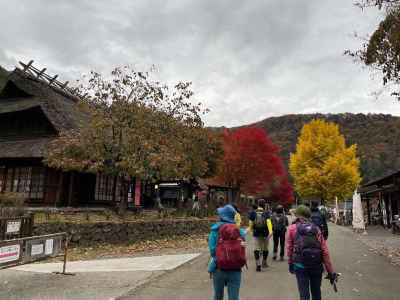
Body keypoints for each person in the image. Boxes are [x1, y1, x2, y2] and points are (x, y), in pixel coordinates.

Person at [286, 205, 336, 300]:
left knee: (304, 294)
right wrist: (330, 270)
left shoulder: (292, 228)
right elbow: (324, 250)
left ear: (297, 215)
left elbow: (289, 248)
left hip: (300, 265)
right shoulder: (316, 228)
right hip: (316, 265)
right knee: (316, 292)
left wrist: (290, 263)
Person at [208, 204, 246, 300]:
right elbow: (242, 248)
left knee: (218, 295)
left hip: (218, 266)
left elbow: (212, 251)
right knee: (234, 297)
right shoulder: (238, 230)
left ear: (222, 216)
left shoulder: (215, 230)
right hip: (235, 268)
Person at [248, 199, 273, 271]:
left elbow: (250, 223)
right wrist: (270, 231)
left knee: (256, 248)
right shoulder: (266, 212)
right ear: (264, 205)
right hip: (265, 233)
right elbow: (268, 222)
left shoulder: (253, 212)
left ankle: (258, 264)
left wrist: (251, 230)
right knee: (265, 248)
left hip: (256, 233)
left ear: (258, 204)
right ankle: (264, 263)